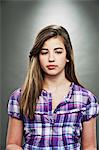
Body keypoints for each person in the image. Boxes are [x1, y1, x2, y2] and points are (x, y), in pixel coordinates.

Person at [6, 25, 99, 150]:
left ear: (67, 56)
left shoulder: (86, 99)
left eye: (58, 52)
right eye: (44, 52)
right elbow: (12, 144)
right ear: (38, 57)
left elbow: (90, 147)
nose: (51, 58)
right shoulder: (20, 97)